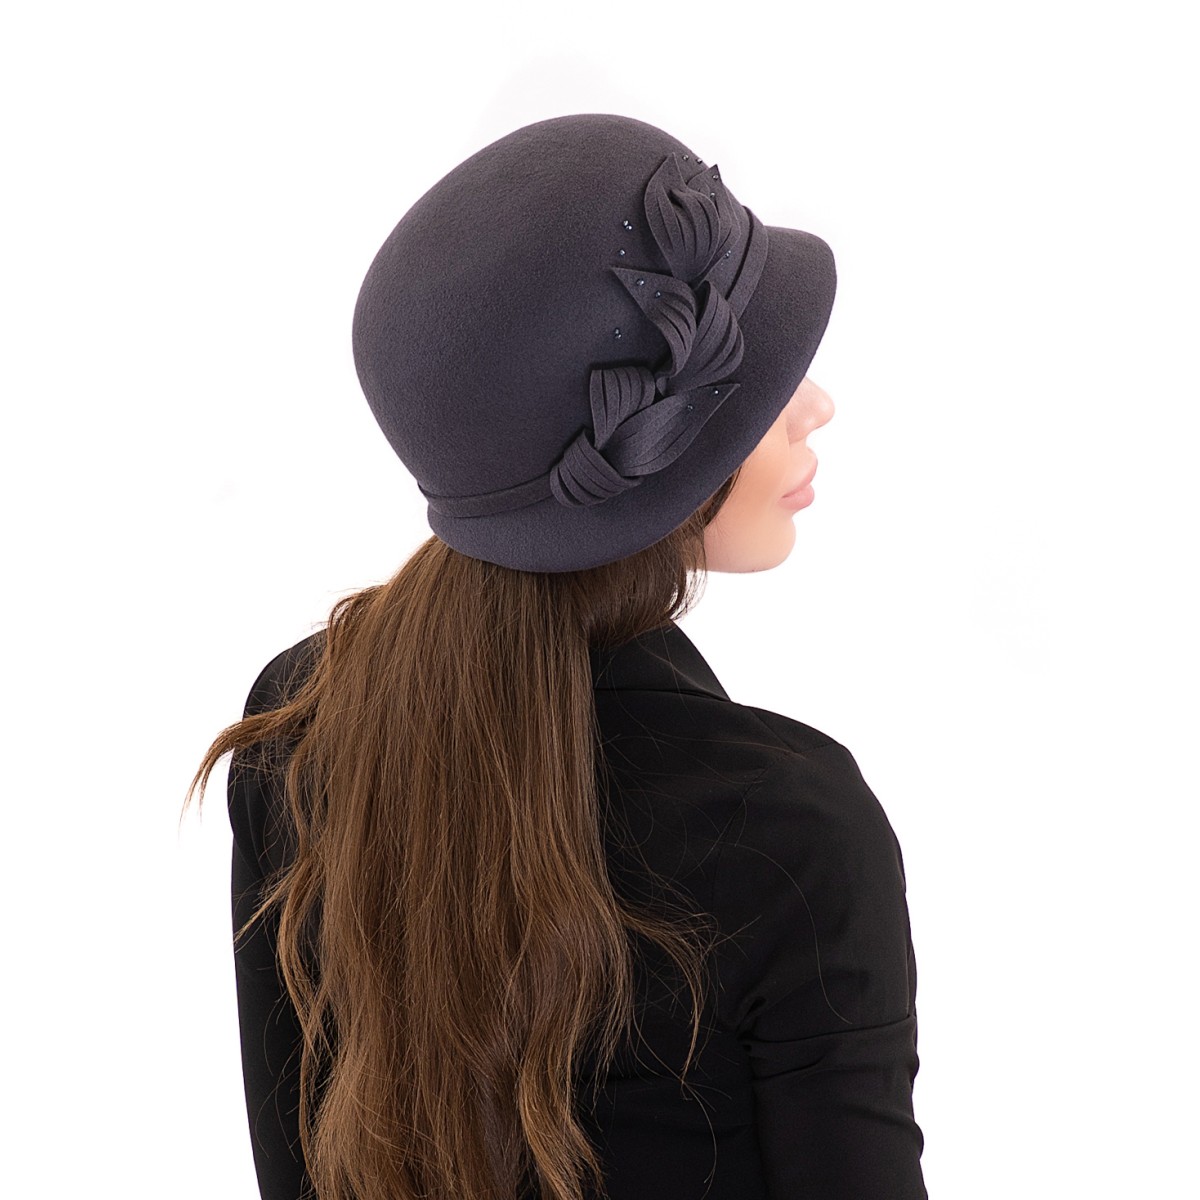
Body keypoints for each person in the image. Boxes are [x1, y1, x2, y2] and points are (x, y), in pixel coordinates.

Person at [186, 113, 928, 1200]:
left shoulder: (305, 722)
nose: (814, 406)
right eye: (760, 387)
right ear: (648, 455)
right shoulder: (788, 825)